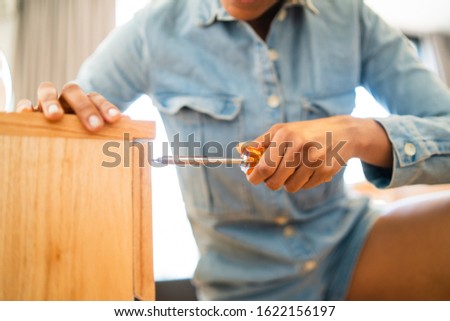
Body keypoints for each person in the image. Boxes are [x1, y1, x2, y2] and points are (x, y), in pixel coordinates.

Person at [17, 0, 450, 300]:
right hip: (243, 288)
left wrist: (360, 134)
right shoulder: (149, 32)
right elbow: (74, 125)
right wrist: (47, 133)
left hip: (352, 250)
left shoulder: (350, 17)